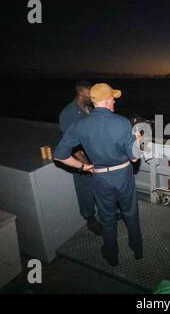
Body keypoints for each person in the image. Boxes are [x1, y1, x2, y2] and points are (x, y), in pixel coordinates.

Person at [54, 83, 143, 266]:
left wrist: (83, 167)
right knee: (130, 213)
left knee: (107, 218)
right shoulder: (122, 122)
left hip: (100, 178)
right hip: (123, 176)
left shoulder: (80, 124)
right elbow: (135, 158)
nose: (115, 103)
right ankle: (137, 250)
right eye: (113, 99)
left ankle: (111, 256)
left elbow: (59, 155)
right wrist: (138, 140)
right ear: (108, 100)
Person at [58, 81, 102, 236]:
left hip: (96, 159)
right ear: (82, 91)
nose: (94, 97)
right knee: (86, 191)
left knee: (100, 190)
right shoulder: (69, 113)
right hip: (83, 162)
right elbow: (70, 145)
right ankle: (90, 220)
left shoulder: (90, 110)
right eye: (91, 92)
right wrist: (88, 166)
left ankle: (103, 215)